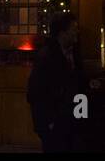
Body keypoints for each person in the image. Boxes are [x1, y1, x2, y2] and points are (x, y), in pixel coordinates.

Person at [27, 12, 87, 152]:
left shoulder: (75, 54)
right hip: (55, 124)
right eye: (73, 28)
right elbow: (35, 93)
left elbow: (79, 86)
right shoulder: (46, 58)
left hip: (72, 122)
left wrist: (82, 116)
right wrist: (49, 123)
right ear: (62, 32)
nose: (76, 32)